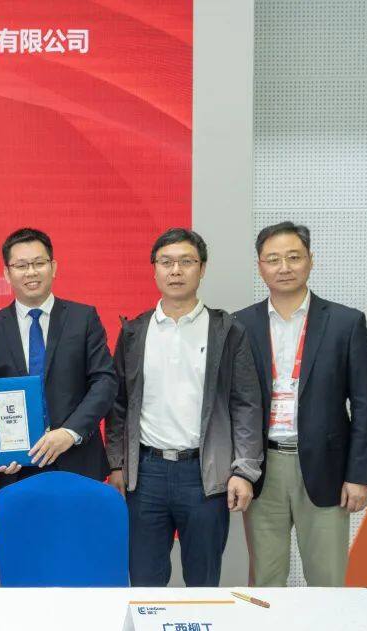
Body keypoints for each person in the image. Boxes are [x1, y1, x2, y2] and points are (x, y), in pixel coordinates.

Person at [106, 228, 263, 587]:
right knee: (144, 582)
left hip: (204, 476)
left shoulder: (227, 331)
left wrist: (244, 470)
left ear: (202, 268)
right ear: (154, 269)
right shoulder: (134, 332)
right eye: (166, 262)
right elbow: (118, 405)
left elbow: (246, 406)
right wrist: (116, 464)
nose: (176, 270)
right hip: (145, 475)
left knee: (203, 582)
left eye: (186, 262)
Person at [235, 221, 367, 586]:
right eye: (273, 259)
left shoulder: (345, 323)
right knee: (266, 579)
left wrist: (359, 475)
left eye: (293, 257)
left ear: (311, 260)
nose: (284, 267)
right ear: (260, 267)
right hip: (263, 468)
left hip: (327, 469)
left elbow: (366, 405)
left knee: (327, 579)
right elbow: (233, 404)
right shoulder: (240, 324)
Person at [0, 228, 117, 489]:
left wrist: (70, 433)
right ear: (7, 273)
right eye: (21, 265)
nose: (31, 272)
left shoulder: (83, 318)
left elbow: (104, 382)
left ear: (53, 267)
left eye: (39, 263)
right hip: (17, 469)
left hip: (77, 460)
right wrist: (1, 452)